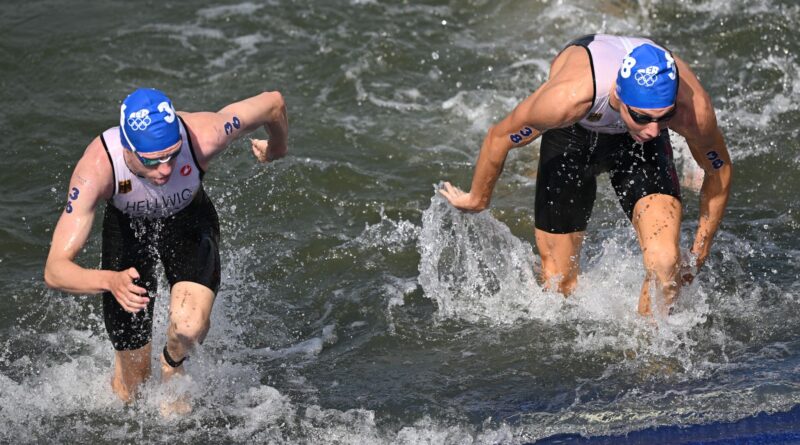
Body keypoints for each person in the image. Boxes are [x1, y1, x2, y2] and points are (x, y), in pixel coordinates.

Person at [440, 34, 732, 316]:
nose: (654, 129)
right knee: (559, 285)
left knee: (666, 264)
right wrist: (478, 199)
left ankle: (650, 357)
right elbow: (499, 137)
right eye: (642, 116)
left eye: (664, 117)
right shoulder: (567, 99)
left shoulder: (689, 110)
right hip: (574, 134)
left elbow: (718, 168)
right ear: (618, 95)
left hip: (640, 149)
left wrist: (699, 253)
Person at [44, 88, 288, 408]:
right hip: (128, 236)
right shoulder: (98, 168)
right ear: (127, 148)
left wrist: (277, 148)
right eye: (152, 160)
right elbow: (55, 270)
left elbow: (273, 103)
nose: (165, 169)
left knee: (188, 326)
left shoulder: (203, 135)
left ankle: (172, 364)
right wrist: (109, 281)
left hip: (188, 222)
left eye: (172, 155)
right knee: (132, 392)